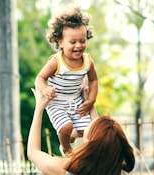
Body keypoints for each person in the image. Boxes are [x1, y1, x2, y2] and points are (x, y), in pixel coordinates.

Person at [34, 3, 98, 155]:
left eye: (82, 41)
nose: (78, 45)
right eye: (72, 42)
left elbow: (94, 80)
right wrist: (44, 88)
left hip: (76, 101)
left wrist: (91, 101)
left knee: (86, 131)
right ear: (60, 42)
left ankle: (71, 136)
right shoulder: (56, 61)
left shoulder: (88, 61)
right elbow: (40, 78)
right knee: (66, 127)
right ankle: (66, 148)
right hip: (57, 102)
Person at [28, 87, 135, 175]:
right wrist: (88, 102)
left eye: (84, 132)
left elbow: (33, 153)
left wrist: (39, 107)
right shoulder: (118, 170)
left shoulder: (69, 169)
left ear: (90, 143)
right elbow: (101, 137)